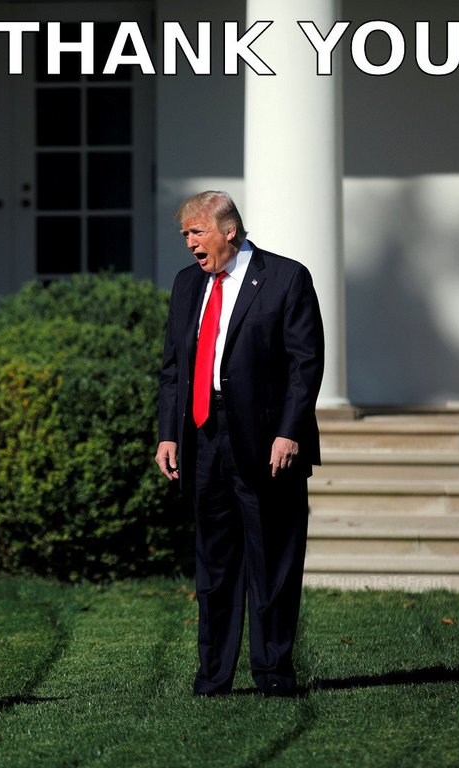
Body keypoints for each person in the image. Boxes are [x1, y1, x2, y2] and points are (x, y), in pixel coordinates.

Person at [155, 190, 325, 698]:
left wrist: (290, 430)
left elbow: (305, 363)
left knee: (271, 561)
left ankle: (273, 672)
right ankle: (213, 677)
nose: (189, 243)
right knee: (215, 564)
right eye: (185, 234)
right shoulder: (188, 285)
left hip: (268, 439)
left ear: (229, 230)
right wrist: (168, 433)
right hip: (204, 438)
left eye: (196, 232)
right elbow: (172, 370)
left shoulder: (285, 277)